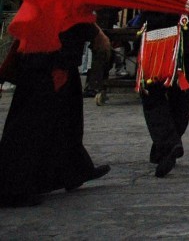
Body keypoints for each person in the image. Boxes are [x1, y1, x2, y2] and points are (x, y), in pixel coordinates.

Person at [0, 21, 111, 207]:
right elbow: (70, 14)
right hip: (48, 60)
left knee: (67, 118)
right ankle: (13, 188)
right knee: (32, 124)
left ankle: (74, 169)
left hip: (54, 56)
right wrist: (95, 33)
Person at [137, 11, 189, 178]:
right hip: (182, 33)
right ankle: (165, 146)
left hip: (157, 35)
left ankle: (166, 144)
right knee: (180, 95)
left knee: (153, 95)